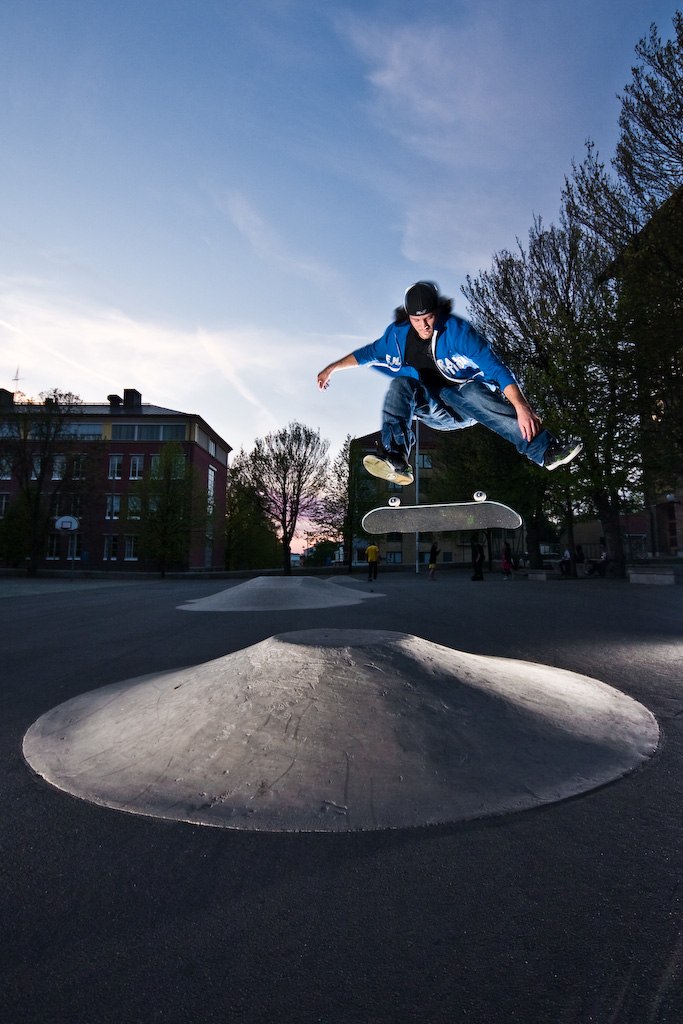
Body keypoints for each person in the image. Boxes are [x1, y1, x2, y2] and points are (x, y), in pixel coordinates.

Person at [317, 281, 583, 484]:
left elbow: (496, 368)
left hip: (467, 405)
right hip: (434, 410)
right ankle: (396, 458)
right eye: (417, 320)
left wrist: (522, 407)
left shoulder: (458, 332)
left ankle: (546, 450)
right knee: (400, 384)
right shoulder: (395, 337)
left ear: (437, 312)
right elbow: (367, 354)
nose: (424, 326)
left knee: (469, 390)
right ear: (408, 317)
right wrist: (333, 367)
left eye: (429, 318)